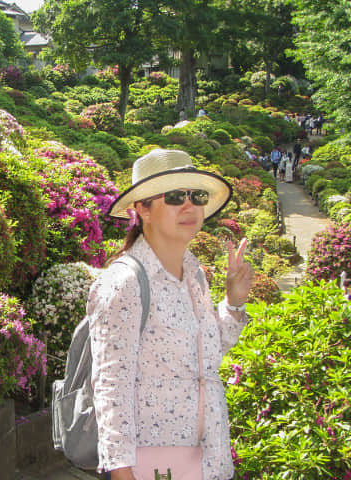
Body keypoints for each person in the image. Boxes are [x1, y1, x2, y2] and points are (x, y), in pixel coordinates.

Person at [90, 149, 253, 480]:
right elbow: (110, 389)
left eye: (197, 195)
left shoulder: (194, 275)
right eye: (176, 196)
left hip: (208, 458)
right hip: (154, 463)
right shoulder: (125, 284)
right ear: (143, 209)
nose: (189, 206)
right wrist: (122, 474)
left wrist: (233, 302)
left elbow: (205, 352)